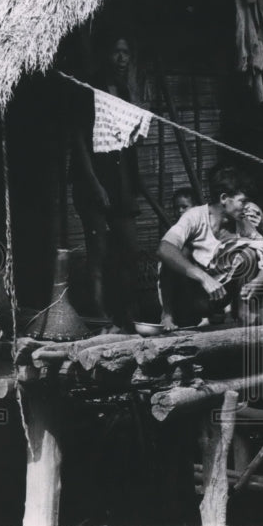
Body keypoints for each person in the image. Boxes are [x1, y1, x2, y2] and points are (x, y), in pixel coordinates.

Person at [70, 35, 164, 333]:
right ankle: (100, 319)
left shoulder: (123, 91)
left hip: (120, 184)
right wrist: (95, 184)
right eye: (116, 52)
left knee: (129, 250)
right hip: (93, 183)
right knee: (98, 252)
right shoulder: (88, 89)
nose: (122, 59)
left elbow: (130, 140)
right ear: (105, 55)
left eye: (126, 53)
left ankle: (125, 316)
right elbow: (79, 141)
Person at [157, 166, 263, 329]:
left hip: (219, 297)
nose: (246, 207)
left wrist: (257, 282)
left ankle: (244, 313)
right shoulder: (195, 216)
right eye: (242, 201)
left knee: (249, 254)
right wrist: (203, 277)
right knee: (175, 254)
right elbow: (163, 248)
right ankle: (168, 315)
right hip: (191, 297)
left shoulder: (243, 222)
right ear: (224, 198)